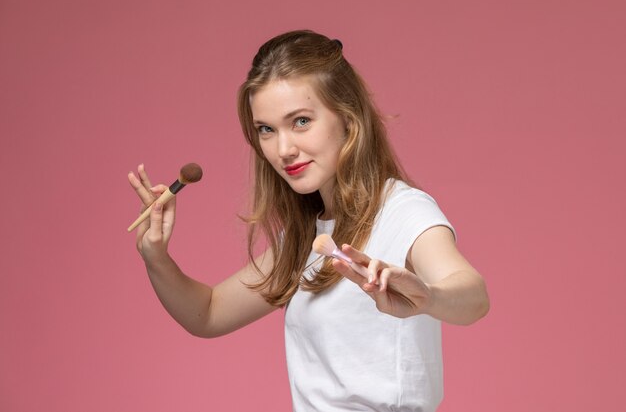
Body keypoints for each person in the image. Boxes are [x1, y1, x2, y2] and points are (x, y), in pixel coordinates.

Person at [128, 30, 489, 412]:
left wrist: (427, 297)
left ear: (348, 117)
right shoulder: (306, 237)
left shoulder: (402, 210)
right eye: (266, 129)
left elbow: (472, 295)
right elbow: (209, 313)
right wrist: (156, 257)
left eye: (300, 121)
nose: (283, 149)